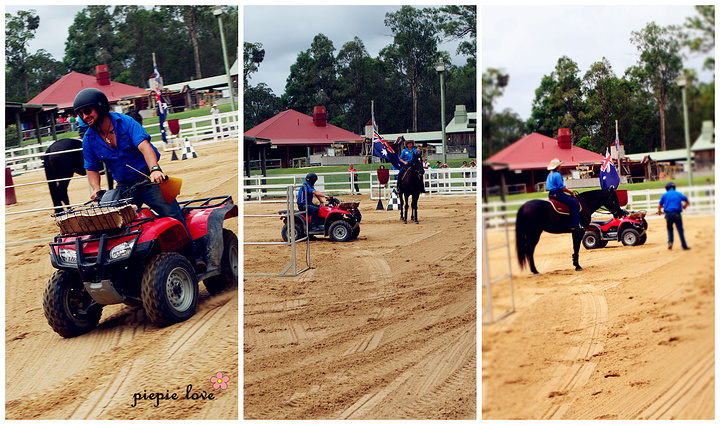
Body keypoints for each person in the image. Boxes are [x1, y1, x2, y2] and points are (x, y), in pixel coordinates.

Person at [73, 87, 206, 269]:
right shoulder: (89, 139)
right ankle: (123, 267)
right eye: (80, 113)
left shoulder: (126, 122)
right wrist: (96, 188)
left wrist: (154, 170)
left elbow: (145, 147)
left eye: (87, 111)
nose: (84, 116)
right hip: (125, 185)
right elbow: (91, 167)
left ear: (100, 107)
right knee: (111, 223)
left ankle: (195, 257)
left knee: (172, 214)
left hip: (148, 179)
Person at [546, 158, 582, 231]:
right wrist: (570, 192)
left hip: (551, 194)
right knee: (575, 204)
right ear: (557, 167)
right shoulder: (557, 175)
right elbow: (562, 187)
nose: (561, 166)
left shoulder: (550, 174)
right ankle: (575, 225)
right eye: (560, 165)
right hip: (558, 193)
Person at [658, 181, 690, 250]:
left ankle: (670, 242)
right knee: (680, 229)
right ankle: (684, 245)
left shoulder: (665, 195)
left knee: (670, 228)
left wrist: (659, 212)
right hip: (677, 214)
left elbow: (659, 205)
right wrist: (685, 206)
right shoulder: (678, 194)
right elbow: (687, 201)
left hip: (668, 214)